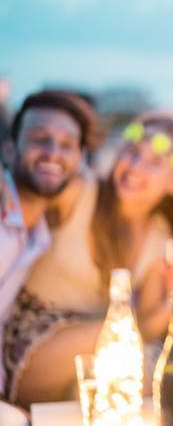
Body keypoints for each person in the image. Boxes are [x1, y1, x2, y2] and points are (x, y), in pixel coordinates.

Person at [5, 111, 173, 407]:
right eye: (132, 153)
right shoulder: (79, 191)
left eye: (154, 163)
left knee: (131, 378)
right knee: (134, 357)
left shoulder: (161, 239)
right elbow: (26, 184)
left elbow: (145, 326)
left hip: (94, 355)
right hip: (25, 345)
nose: (135, 167)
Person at [0, 90, 94, 403]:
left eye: (67, 144)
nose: (53, 153)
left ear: (79, 159)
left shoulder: (39, 235)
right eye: (40, 138)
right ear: (11, 148)